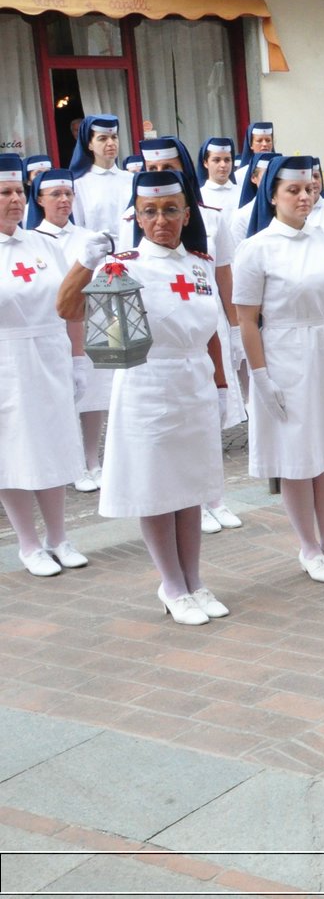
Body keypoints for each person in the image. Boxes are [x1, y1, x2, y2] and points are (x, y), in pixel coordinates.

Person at [57, 169, 231, 624]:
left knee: (189, 487)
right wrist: (84, 264)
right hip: (148, 381)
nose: (160, 220)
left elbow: (212, 330)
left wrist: (221, 387)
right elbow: (67, 308)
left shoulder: (199, 262)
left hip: (193, 380)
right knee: (157, 488)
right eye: (150, 212)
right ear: (136, 215)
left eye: (170, 210)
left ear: (186, 213)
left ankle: (194, 579)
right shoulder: (124, 264)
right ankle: (171, 585)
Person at [233, 155, 324, 583]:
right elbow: (246, 320)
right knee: (296, 454)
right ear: (272, 194)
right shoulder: (256, 249)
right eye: (293, 190)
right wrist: (260, 376)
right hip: (286, 353)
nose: (304, 197)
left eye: (309, 188)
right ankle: (308, 547)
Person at [142, 137, 245, 534]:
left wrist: (234, 328)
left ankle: (213, 496)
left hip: (205, 319)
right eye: (152, 171)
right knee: (174, 423)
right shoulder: (134, 220)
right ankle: (188, 499)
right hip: (164, 333)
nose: (161, 176)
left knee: (208, 417)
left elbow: (223, 275)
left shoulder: (212, 217)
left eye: (169, 167)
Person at [0, 154, 88, 576]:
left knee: (53, 444)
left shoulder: (45, 245)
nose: (15, 200)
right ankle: (29, 543)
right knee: (13, 450)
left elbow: (71, 305)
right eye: (4, 193)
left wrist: (78, 359)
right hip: (7, 362)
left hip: (49, 355)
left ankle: (59, 535)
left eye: (18, 191)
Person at [26, 167, 115, 495]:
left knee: (93, 394)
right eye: (55, 195)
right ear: (40, 199)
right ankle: (72, 462)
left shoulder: (86, 238)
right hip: (50, 327)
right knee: (59, 399)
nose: (63, 201)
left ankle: (93, 460)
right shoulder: (34, 239)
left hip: (87, 324)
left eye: (68, 194)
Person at [68, 115, 132, 236]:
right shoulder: (79, 184)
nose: (111, 143)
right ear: (89, 144)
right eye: (102, 139)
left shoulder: (131, 179)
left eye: (114, 137)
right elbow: (78, 228)